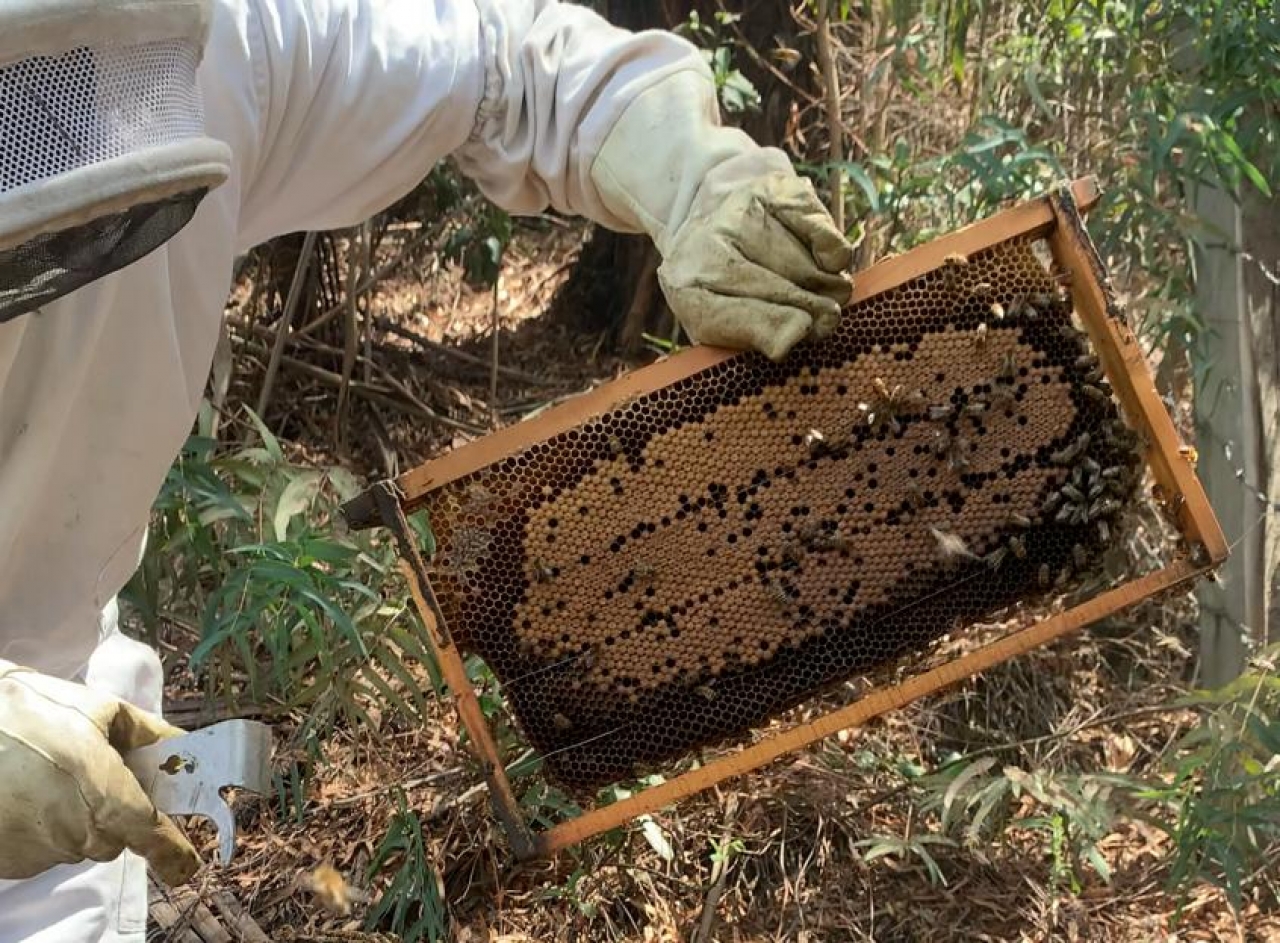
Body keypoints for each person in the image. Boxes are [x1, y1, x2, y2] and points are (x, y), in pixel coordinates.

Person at [0, 0, 852, 939]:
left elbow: (501, 59)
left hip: (62, 752)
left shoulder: (198, 49)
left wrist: (688, 168)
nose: (59, 120)